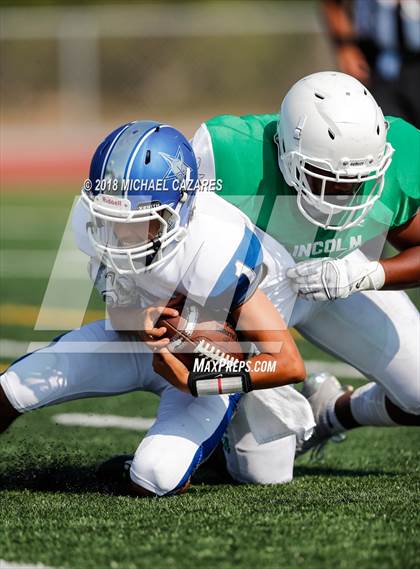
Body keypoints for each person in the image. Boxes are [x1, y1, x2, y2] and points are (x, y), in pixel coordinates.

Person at [0, 120, 311, 496]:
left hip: (206, 371)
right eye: (112, 217)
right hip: (135, 345)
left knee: (156, 477)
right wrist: (138, 319)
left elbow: (288, 362)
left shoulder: (216, 247)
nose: (122, 233)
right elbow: (119, 310)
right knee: (15, 386)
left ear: (179, 209)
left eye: (141, 220)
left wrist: (197, 381)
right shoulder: (96, 223)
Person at [191, 71, 420, 455]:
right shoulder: (228, 154)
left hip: (340, 278)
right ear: (286, 153)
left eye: (360, 181)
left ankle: (330, 412)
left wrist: (368, 273)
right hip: (256, 299)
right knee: (261, 468)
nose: (344, 194)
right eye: (325, 178)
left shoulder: (404, 153)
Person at [321, 0, 420, 128]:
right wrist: (346, 47)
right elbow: (332, 4)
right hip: (376, 63)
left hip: (415, 59)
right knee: (384, 131)